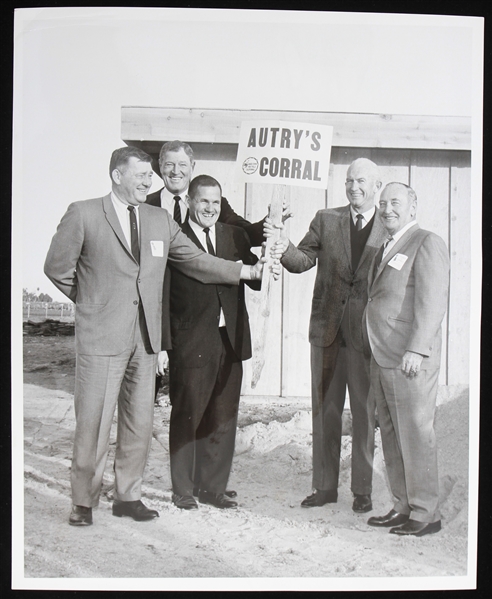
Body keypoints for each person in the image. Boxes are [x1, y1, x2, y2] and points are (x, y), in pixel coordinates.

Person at [44, 146, 267, 527]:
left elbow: (195, 261)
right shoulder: (83, 213)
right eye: (142, 175)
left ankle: (128, 496)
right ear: (117, 175)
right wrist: (92, 304)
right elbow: (57, 268)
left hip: (145, 341)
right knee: (94, 422)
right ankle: (83, 500)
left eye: (151, 176)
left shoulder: (159, 219)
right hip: (101, 339)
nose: (151, 181)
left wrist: (244, 272)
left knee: (139, 422)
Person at [269, 158, 387, 513]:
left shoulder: (389, 224)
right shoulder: (326, 218)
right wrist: (283, 245)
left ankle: (362, 490)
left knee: (366, 414)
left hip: (367, 337)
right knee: (325, 411)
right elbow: (302, 260)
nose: (354, 187)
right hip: (327, 334)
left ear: (377, 186)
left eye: (361, 181)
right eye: (349, 180)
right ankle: (324, 487)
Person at [161, 174, 261, 510]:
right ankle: (183, 489)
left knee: (223, 415)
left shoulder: (232, 235)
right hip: (191, 340)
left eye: (216, 202)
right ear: (189, 201)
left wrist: (269, 256)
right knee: (189, 414)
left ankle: (212, 487)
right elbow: (162, 295)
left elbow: (256, 276)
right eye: (204, 201)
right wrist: (165, 343)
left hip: (229, 339)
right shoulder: (176, 237)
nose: (210, 208)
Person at [364, 182, 449, 537]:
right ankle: (402, 505)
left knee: (415, 434)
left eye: (395, 203)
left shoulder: (426, 242)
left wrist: (416, 348)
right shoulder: (384, 245)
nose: (387, 210)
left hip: (409, 358)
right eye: (382, 204)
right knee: (392, 435)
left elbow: (432, 302)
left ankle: (426, 513)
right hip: (382, 355)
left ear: (413, 207)